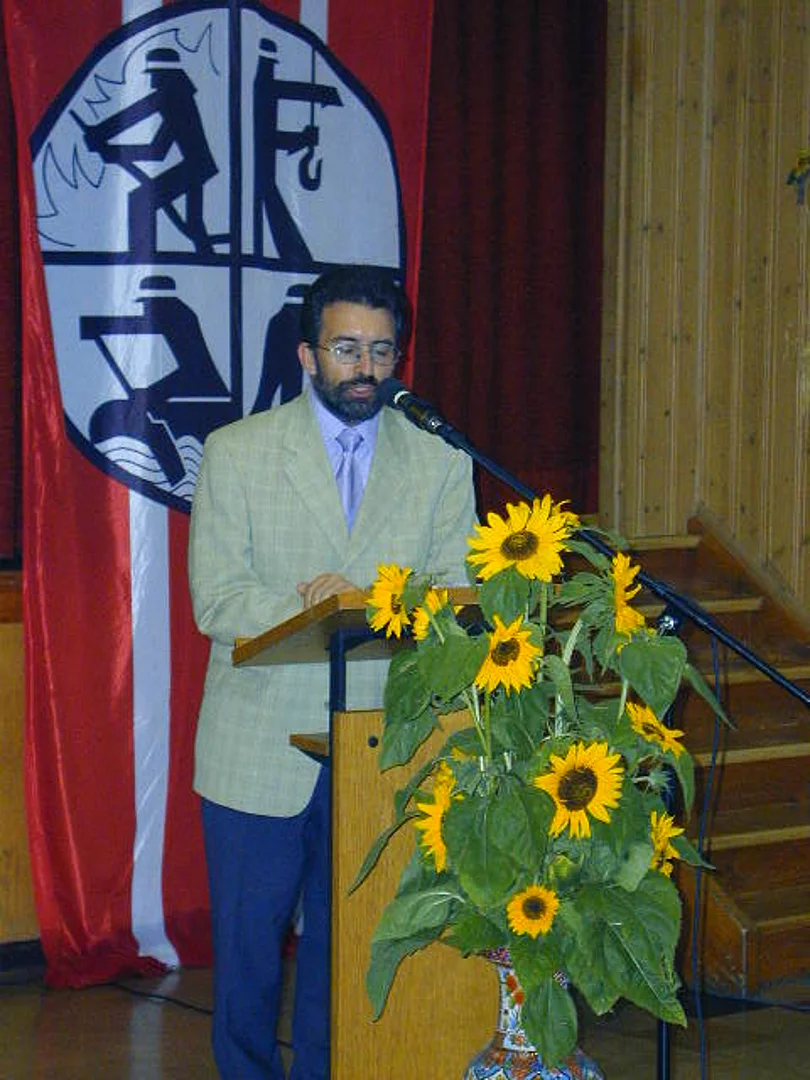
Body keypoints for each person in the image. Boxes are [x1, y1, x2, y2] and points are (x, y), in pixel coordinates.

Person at [188, 264, 476, 1079]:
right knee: (248, 956)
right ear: (307, 355)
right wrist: (312, 607)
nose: (366, 369)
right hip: (257, 746)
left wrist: (378, 602)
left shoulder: (438, 458)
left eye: (382, 351)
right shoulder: (238, 452)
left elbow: (458, 593)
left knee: (346, 954)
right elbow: (217, 599)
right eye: (347, 349)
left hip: (381, 746)